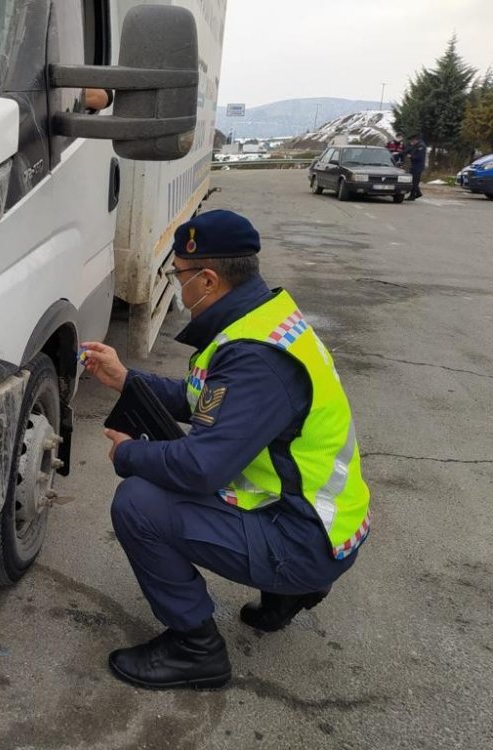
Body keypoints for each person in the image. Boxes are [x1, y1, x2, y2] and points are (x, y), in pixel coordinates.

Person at [80, 210, 371, 690]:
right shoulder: (263, 322)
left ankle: (195, 649)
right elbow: (209, 401)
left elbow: (200, 469)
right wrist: (126, 380)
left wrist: (128, 455)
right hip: (322, 521)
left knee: (138, 502)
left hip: (305, 538)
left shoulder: (255, 358)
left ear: (208, 280)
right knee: (170, 474)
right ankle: (288, 594)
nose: (178, 286)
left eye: (179, 276)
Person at [406, 135, 427, 200]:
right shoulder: (417, 145)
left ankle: (412, 196)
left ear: (415, 140)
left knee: (414, 182)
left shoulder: (421, 146)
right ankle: (418, 193)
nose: (411, 142)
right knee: (413, 181)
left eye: (412, 141)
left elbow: (419, 157)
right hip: (414, 166)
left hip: (418, 167)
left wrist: (411, 157)